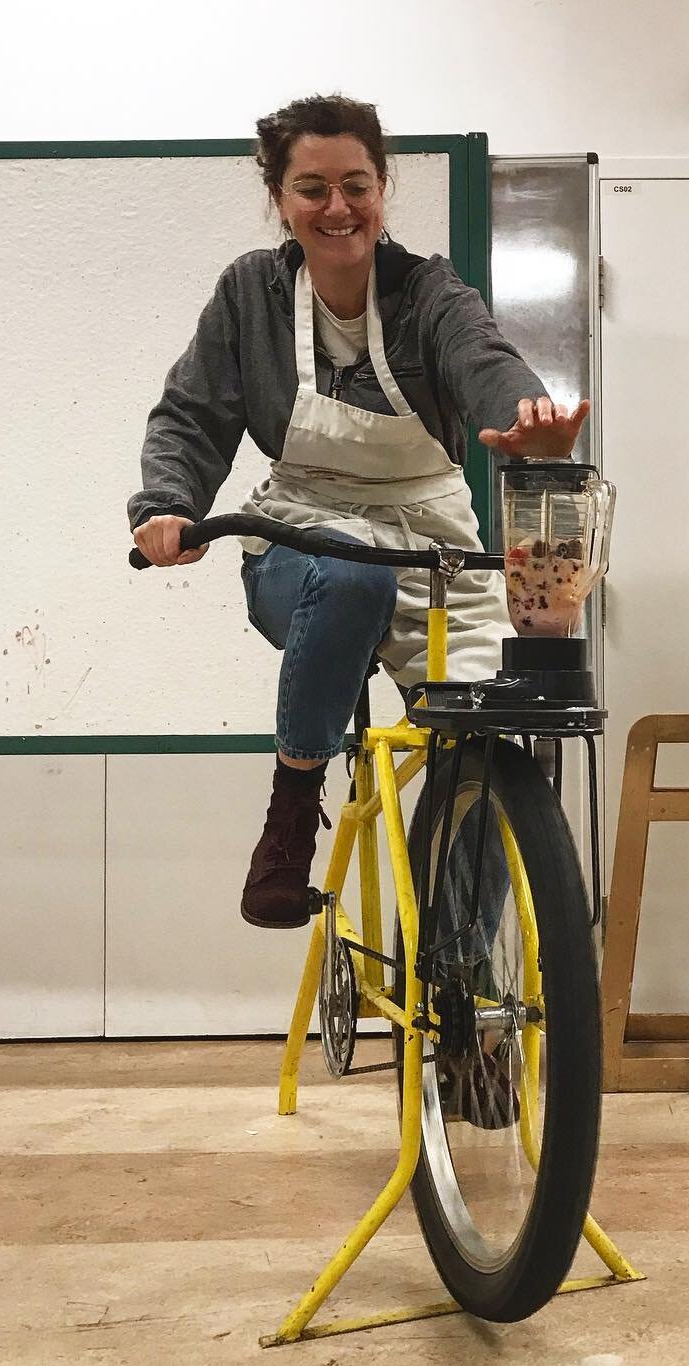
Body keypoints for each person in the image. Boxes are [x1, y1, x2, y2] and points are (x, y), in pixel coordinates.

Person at [128, 94, 588, 929]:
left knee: (489, 730)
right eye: (312, 188)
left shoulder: (429, 292)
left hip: (430, 534)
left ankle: (464, 976)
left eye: (356, 184)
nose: (337, 207)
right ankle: (293, 805)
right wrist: (167, 506)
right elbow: (192, 416)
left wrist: (526, 419)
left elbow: (482, 357)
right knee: (346, 580)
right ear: (280, 199)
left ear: (384, 189)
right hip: (302, 530)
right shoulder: (251, 295)